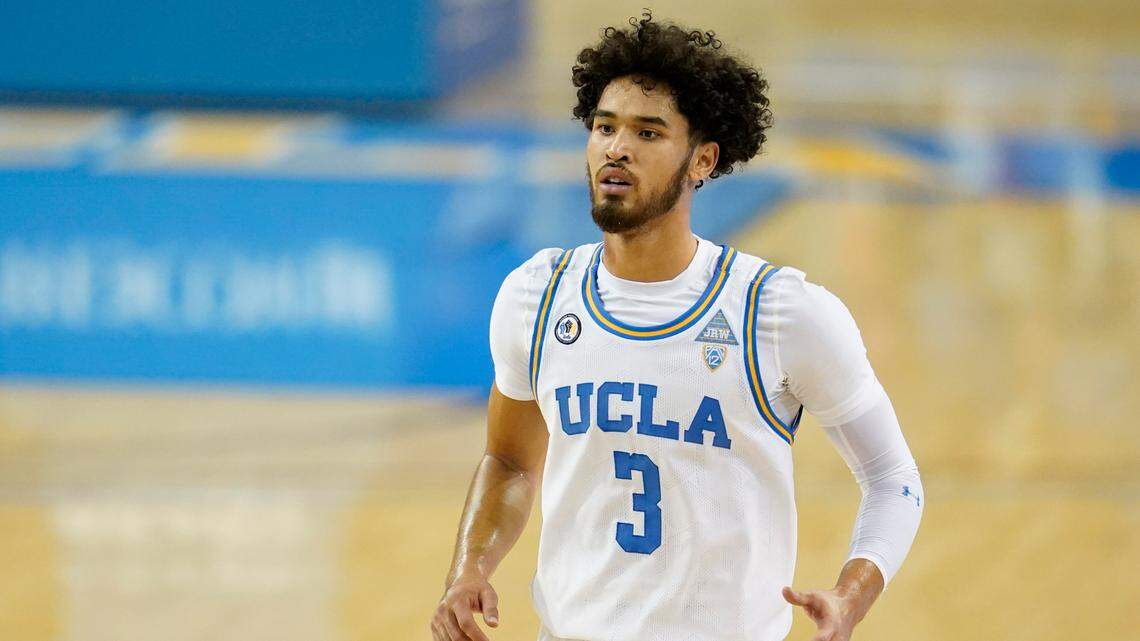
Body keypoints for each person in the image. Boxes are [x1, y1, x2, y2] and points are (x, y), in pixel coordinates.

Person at [431, 12, 923, 641]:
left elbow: (893, 480)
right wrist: (470, 566)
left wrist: (852, 596)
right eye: (604, 127)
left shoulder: (779, 313)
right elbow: (507, 459)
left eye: (648, 132)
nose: (617, 147)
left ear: (702, 160)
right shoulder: (538, 295)